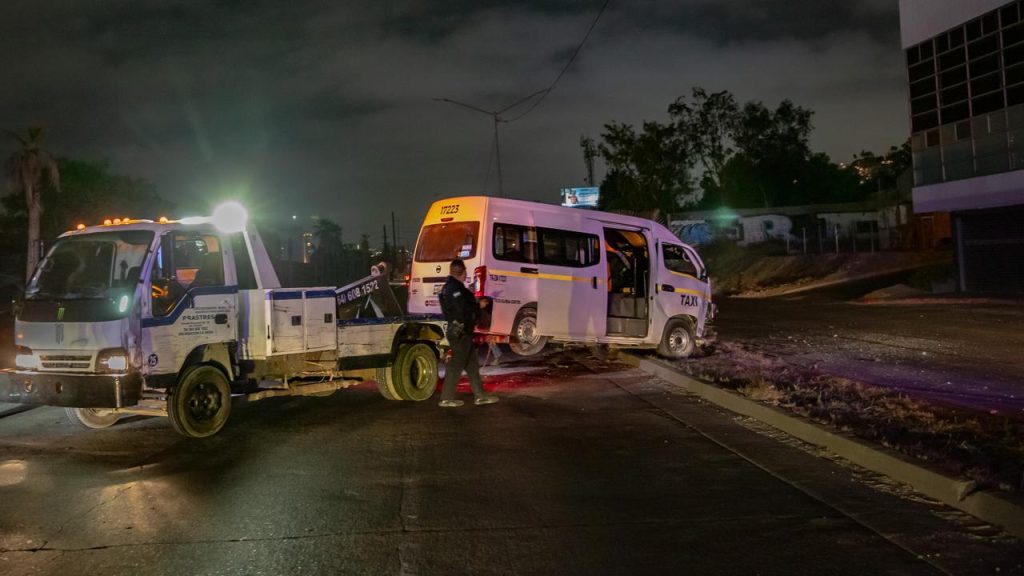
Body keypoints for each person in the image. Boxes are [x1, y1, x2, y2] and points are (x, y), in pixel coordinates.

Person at [438, 259, 499, 408]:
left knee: (472, 365)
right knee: (456, 365)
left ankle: (480, 396)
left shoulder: (446, 288)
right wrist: (478, 306)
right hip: (461, 332)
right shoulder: (456, 289)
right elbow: (463, 311)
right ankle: (446, 398)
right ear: (463, 272)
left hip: (458, 331)